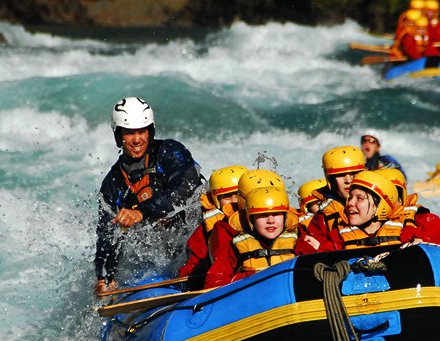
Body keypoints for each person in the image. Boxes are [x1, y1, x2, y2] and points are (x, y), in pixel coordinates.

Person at [94, 96, 203, 296]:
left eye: (142, 131)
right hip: (162, 255)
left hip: (196, 237)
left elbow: (185, 187)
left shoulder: (170, 152)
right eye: (129, 133)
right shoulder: (113, 185)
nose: (137, 140)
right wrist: (104, 277)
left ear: (150, 132)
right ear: (119, 136)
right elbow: (106, 237)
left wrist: (142, 212)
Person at [303, 171, 440, 251]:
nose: (349, 203)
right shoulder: (339, 235)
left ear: (380, 206)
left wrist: (426, 246)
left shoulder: (409, 232)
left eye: (359, 198)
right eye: (350, 197)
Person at [204, 187, 302, 289]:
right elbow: (213, 283)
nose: (271, 220)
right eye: (263, 215)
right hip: (254, 298)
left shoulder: (298, 240)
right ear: (251, 220)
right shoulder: (236, 246)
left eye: (277, 214)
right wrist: (247, 277)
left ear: (285, 217)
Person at [177, 165, 247, 287]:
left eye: (238, 195)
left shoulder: (267, 220)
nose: (234, 201)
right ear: (216, 201)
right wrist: (206, 266)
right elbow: (189, 267)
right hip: (222, 279)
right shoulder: (206, 230)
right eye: (227, 197)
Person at [303, 146, 367, 245]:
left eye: (354, 173)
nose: (348, 180)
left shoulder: (379, 203)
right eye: (341, 175)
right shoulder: (321, 216)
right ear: (330, 180)